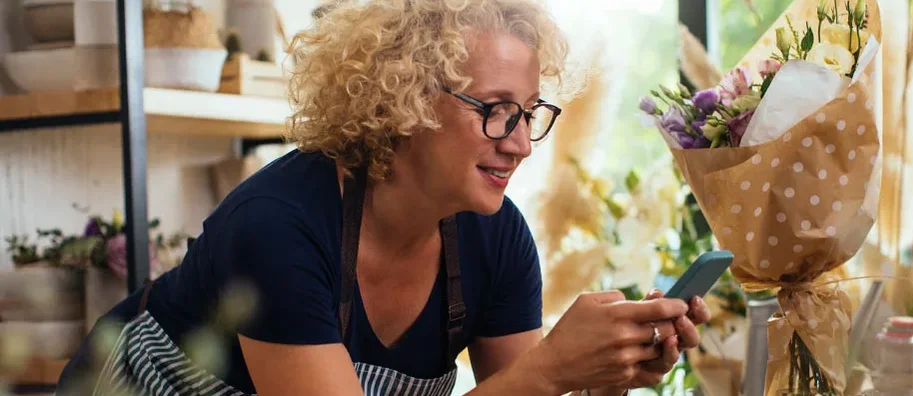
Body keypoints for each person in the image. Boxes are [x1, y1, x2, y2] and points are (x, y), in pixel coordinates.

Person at [56, 1, 712, 395]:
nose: (520, 145)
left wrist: (599, 375)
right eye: (494, 111)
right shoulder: (276, 229)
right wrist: (547, 369)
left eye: (529, 113)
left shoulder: (494, 234)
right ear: (400, 102)